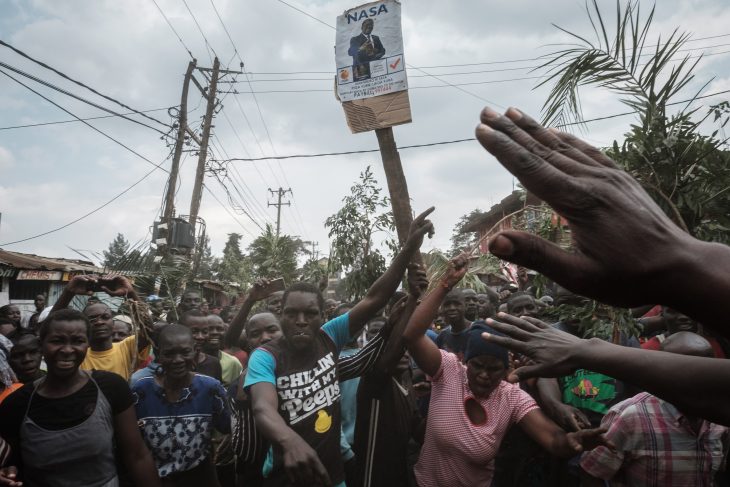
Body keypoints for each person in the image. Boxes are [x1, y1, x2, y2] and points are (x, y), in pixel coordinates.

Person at [474, 106, 730, 426]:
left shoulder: (617, 336)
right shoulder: (564, 335)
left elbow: (712, 391)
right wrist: (683, 262)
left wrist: (680, 263)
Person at [246, 208, 434, 487]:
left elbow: (374, 298)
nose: (301, 321)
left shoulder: (329, 336)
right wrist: (290, 441)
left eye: (310, 314)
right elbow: (263, 408)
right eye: (291, 313)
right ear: (280, 314)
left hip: (333, 477)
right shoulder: (266, 356)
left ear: (323, 316)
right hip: (285, 477)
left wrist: (408, 248)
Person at [402, 255, 611, 487]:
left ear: (506, 368)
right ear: (466, 361)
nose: (484, 374)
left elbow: (552, 439)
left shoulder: (511, 397)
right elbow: (411, 336)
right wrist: (445, 284)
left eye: (493, 369)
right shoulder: (449, 370)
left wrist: (571, 441)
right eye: (477, 366)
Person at [0, 309, 160, 486]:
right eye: (57, 341)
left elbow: (137, 455)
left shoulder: (111, 387)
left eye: (77, 341)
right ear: (42, 345)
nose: (67, 350)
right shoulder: (17, 403)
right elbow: (9, 462)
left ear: (88, 345)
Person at [580, 332, 728, 486]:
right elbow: (592, 472)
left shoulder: (720, 415)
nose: (695, 377)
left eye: (703, 368)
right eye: (684, 369)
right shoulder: (631, 417)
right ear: (661, 371)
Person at [353, 264, 428, 487]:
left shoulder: (407, 377)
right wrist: (413, 298)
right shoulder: (374, 377)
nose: (403, 351)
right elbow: (394, 348)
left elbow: (419, 433)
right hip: (372, 477)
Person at [132, 324, 230, 487]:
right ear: (158, 354)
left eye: (185, 352)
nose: (177, 360)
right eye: (169, 354)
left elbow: (228, 427)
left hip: (200, 478)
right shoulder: (141, 390)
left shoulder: (210, 388)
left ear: (195, 351)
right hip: (153, 479)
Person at [179, 310, 223, 382]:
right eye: (194, 331)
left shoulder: (214, 363)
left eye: (205, 332)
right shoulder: (173, 362)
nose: (200, 337)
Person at [205, 313, 242, 387]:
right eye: (209, 329)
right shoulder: (191, 362)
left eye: (219, 329)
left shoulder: (233, 363)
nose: (215, 332)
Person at [434, 289, 471, 359]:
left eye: (457, 304)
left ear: (465, 306)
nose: (452, 308)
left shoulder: (476, 331)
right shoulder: (442, 336)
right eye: (447, 304)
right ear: (442, 308)